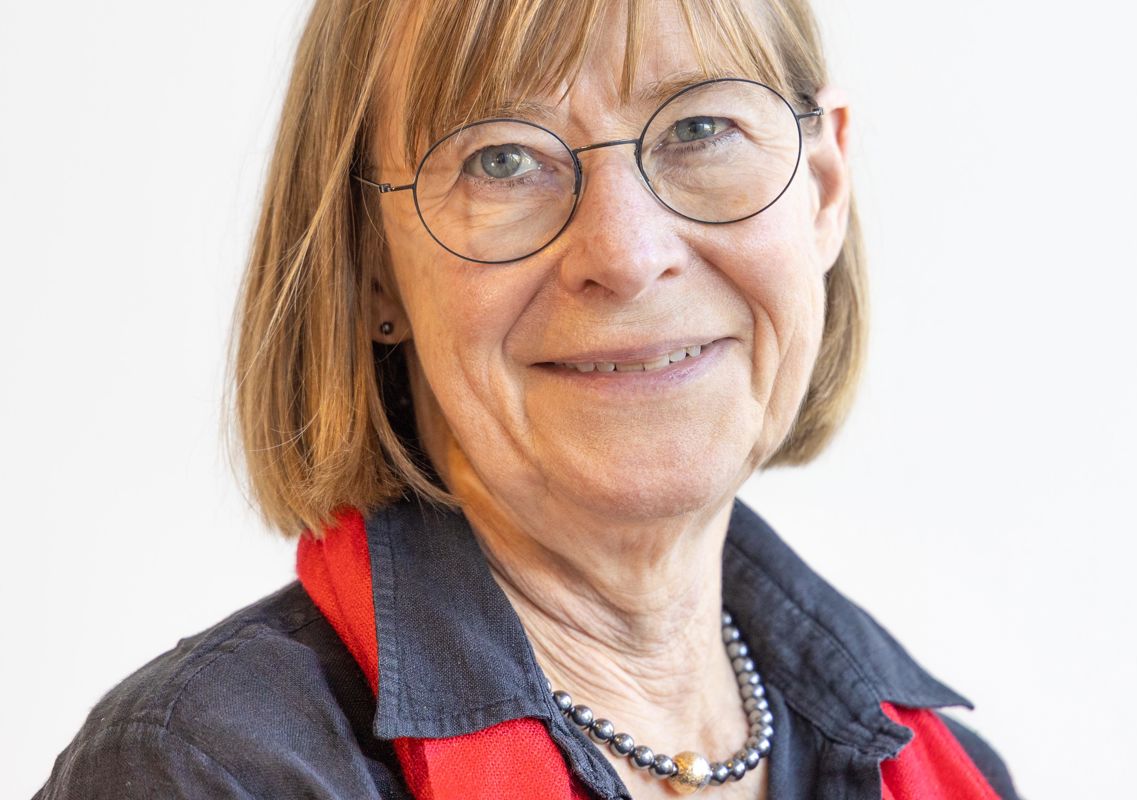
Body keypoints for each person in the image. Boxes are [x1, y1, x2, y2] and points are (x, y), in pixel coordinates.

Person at [34, 0, 1020, 797]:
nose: (625, 254)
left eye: (701, 128)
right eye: (502, 158)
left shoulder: (947, 772)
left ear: (823, 187)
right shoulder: (208, 773)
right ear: (372, 269)